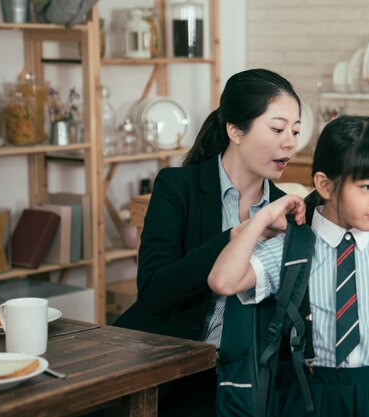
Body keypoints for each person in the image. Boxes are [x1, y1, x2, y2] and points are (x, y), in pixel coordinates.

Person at [208, 115, 369, 417]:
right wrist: (262, 216)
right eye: (366, 186)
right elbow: (223, 281)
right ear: (325, 185)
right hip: (317, 396)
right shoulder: (295, 248)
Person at [113, 68, 302, 417]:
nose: (289, 142)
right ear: (235, 130)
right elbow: (154, 290)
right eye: (277, 129)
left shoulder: (287, 212)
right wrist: (237, 236)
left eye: (295, 131)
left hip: (245, 379)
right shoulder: (177, 187)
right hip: (171, 374)